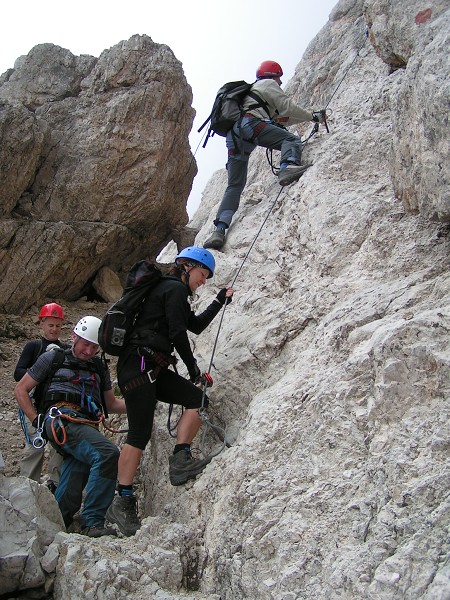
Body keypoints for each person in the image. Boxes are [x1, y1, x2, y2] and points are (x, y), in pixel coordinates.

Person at [106, 247, 234, 536]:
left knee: (196, 399)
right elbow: (178, 333)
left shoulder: (174, 293)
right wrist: (193, 369)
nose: (204, 281)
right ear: (187, 267)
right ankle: (122, 500)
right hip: (139, 365)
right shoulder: (173, 290)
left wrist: (218, 301)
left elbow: (195, 326)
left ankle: (180, 459)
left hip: (148, 367)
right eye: (203, 275)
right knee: (140, 433)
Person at [14, 316, 127, 538]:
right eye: (85, 343)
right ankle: (93, 521)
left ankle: (59, 520)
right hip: (60, 419)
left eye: (94, 347)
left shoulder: (98, 367)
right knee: (107, 454)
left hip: (85, 424)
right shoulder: (53, 358)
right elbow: (21, 389)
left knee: (78, 466)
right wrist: (36, 419)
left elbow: (111, 404)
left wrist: (142, 405)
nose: (88, 350)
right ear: (75, 337)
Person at [204, 59, 326, 250]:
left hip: (235, 135)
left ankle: (219, 231)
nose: (280, 83)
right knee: (292, 140)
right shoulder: (267, 85)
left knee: (234, 185)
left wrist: (306, 118)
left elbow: (281, 120)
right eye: (279, 78)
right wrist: (313, 117)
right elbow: (288, 108)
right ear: (273, 75)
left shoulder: (252, 94)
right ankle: (287, 168)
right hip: (250, 125)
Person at [14, 302, 69, 491]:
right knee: (35, 446)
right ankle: (27, 486)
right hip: (34, 404)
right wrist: (37, 375)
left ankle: (55, 485)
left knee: (58, 447)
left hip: (54, 406)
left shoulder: (66, 349)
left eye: (57, 325)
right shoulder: (34, 347)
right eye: (50, 325)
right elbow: (18, 372)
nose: (54, 329)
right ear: (42, 324)